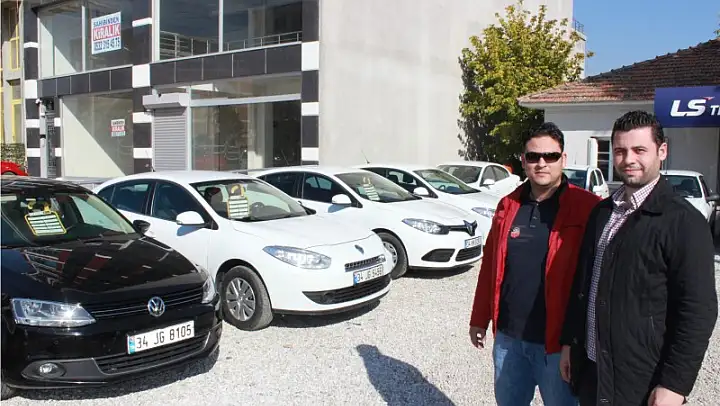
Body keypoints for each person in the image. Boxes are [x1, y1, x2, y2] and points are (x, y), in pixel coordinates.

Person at [559, 111, 718, 406]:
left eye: (639, 150)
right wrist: (570, 342)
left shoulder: (683, 222)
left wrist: (675, 383)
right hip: (592, 370)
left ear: (662, 151)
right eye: (620, 151)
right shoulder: (602, 212)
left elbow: (698, 310)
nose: (628, 159)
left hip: (640, 381)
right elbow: (583, 284)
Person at [469, 122, 601, 406]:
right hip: (508, 340)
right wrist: (479, 318)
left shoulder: (588, 207)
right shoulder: (507, 206)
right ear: (523, 160)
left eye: (550, 156)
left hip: (557, 345)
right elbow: (490, 266)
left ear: (563, 159)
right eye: (533, 156)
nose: (542, 163)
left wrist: (578, 341)